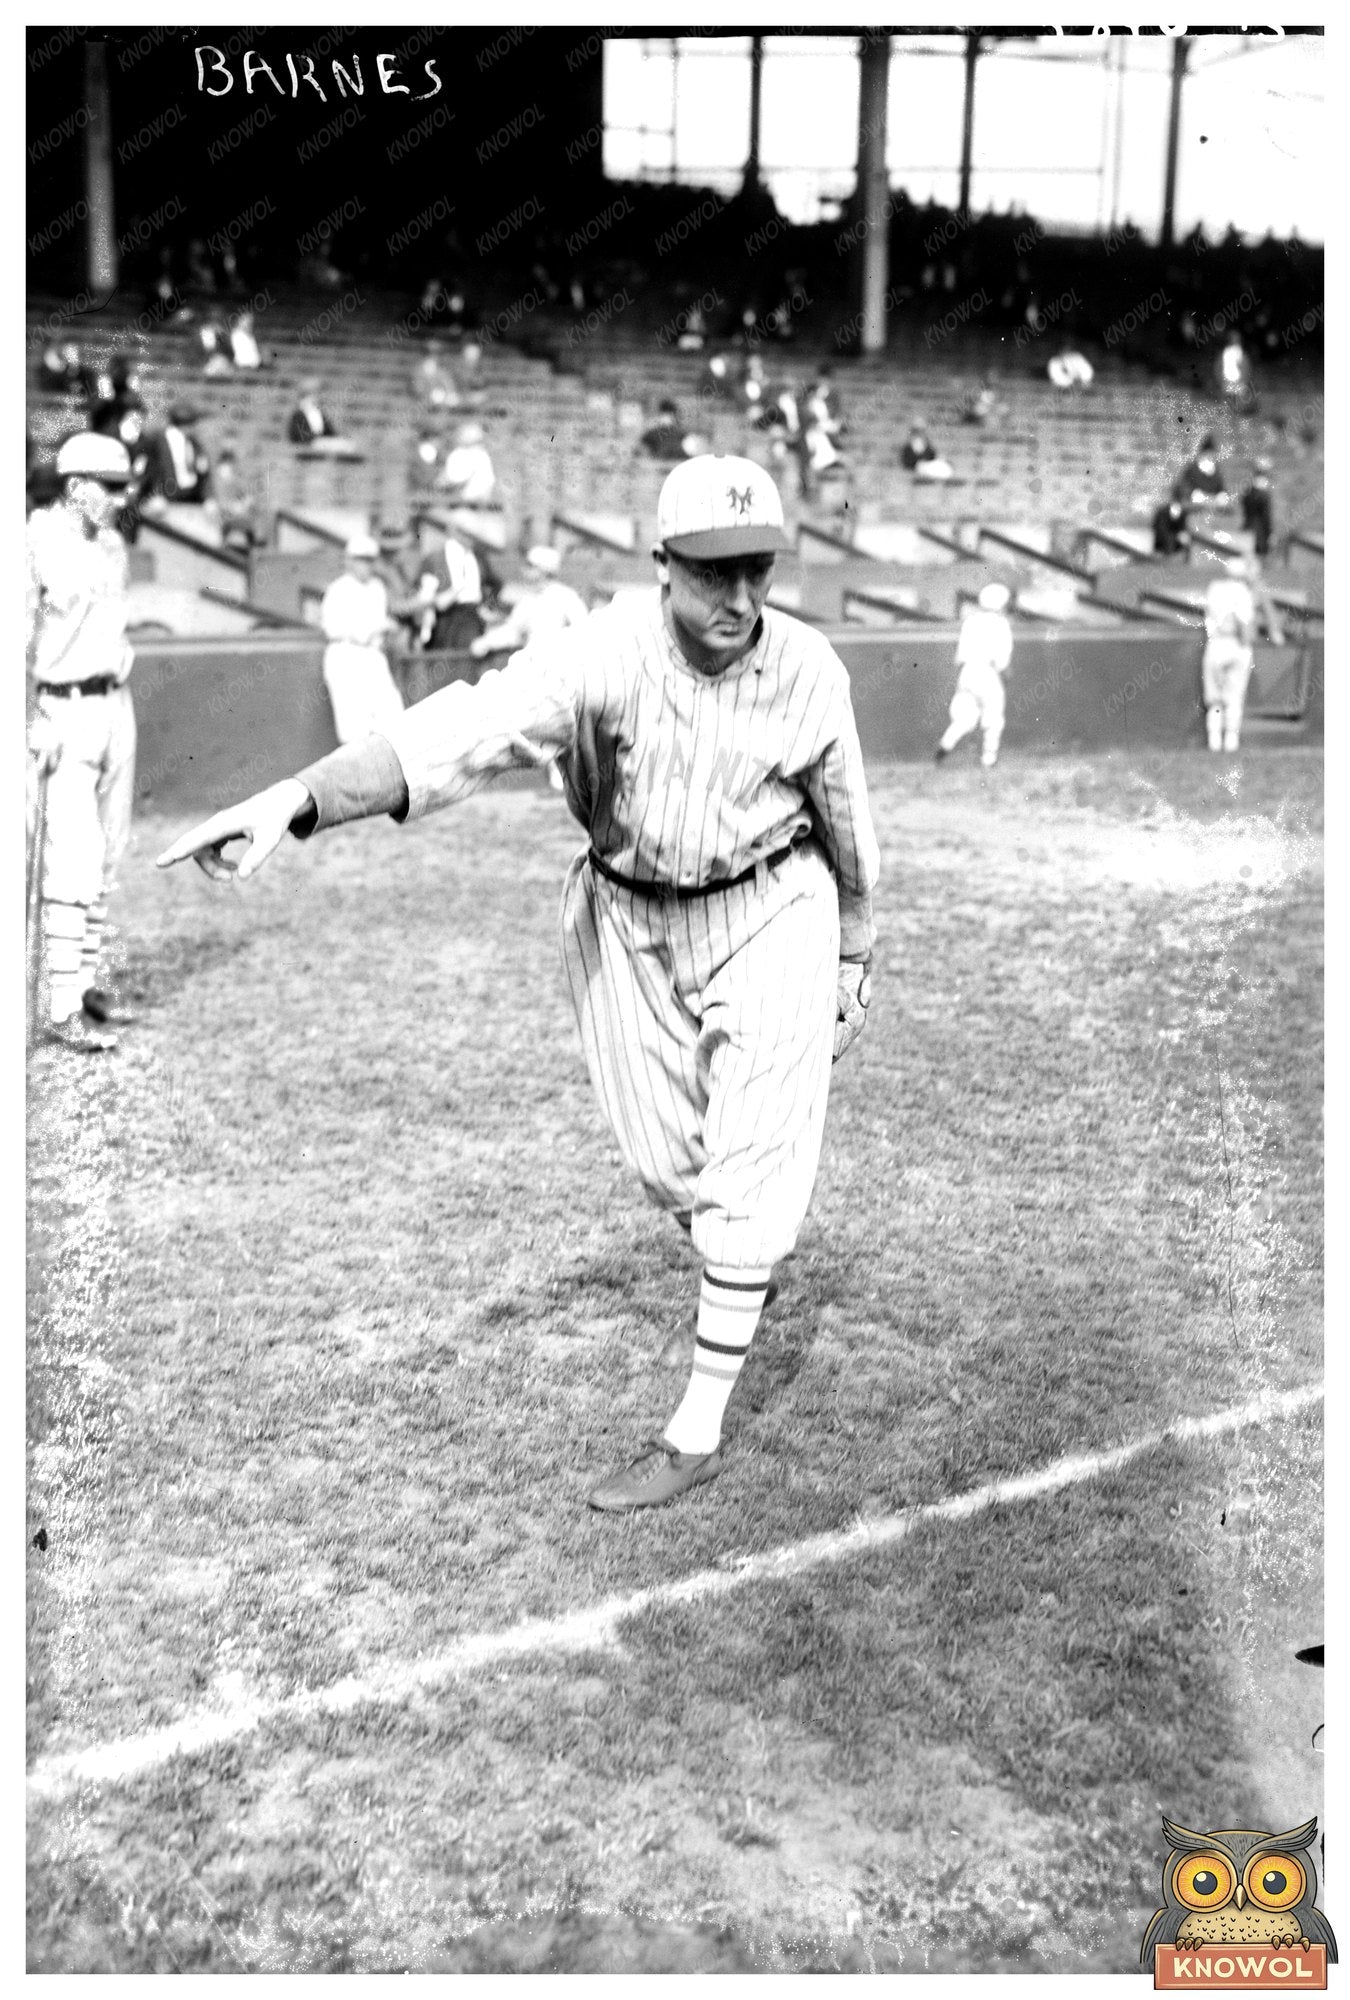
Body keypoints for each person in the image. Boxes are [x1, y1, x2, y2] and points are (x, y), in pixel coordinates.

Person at [156, 455, 880, 1513]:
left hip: (773, 902)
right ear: (663, 565)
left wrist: (855, 948)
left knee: (748, 1175)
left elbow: (848, 812)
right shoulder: (600, 655)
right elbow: (461, 732)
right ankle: (737, 1257)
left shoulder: (808, 666)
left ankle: (695, 1428)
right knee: (671, 1167)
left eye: (755, 570)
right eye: (713, 571)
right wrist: (295, 801)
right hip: (626, 913)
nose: (738, 597)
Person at [26, 433, 139, 1052]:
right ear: (74, 487)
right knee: (73, 860)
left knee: (109, 854)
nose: (121, 499)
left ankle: (89, 986)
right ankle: (61, 1005)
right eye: (109, 487)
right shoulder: (33, 541)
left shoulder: (113, 544)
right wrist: (24, 719)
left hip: (113, 705)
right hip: (59, 709)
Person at [318, 534, 404, 745]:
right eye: (360, 559)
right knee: (354, 731)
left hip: (373, 655)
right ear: (348, 561)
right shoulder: (338, 588)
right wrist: (381, 625)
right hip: (346, 654)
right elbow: (332, 628)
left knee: (393, 718)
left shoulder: (378, 588)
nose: (365, 565)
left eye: (369, 560)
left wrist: (386, 628)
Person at [1201, 550, 1283, 754]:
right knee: (1234, 696)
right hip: (1236, 645)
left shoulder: (1213, 588)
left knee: (1215, 698)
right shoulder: (1242, 592)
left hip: (1216, 644)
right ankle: (1230, 740)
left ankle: (1214, 740)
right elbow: (1244, 625)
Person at [934, 581, 1014, 769]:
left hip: (967, 672)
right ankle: (989, 759)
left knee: (965, 718)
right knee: (993, 717)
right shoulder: (1001, 624)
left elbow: (959, 656)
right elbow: (1001, 659)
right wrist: (1006, 676)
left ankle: (944, 747)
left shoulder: (970, 621)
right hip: (988, 673)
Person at [470, 546, 587, 660]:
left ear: (544, 570)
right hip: (535, 664)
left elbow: (583, 631)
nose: (524, 570)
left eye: (530, 566)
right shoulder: (528, 599)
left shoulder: (566, 596)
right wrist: (486, 642)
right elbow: (513, 632)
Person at [419, 521, 486, 652]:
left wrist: (487, 606)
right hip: (445, 620)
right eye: (464, 533)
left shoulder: (478, 559)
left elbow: (493, 586)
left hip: (472, 619)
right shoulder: (436, 558)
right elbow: (424, 593)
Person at [141, 402, 212, 509]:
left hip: (191, 499)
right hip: (163, 499)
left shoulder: (195, 445)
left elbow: (204, 473)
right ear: (187, 424)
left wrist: (208, 498)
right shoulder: (158, 441)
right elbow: (147, 470)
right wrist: (153, 495)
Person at [287, 379, 360, 458]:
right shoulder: (298, 414)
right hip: (308, 442)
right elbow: (298, 434)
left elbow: (329, 431)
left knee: (347, 444)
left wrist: (335, 438)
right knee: (340, 445)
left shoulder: (319, 412)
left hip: (321, 441)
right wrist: (318, 440)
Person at [1173, 434, 1230, 509]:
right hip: (1193, 501)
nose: (1210, 457)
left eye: (1211, 455)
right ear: (1202, 454)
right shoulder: (1191, 469)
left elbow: (1221, 489)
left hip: (1211, 501)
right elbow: (1181, 488)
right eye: (1207, 455)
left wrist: (1221, 495)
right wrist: (1192, 493)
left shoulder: (1216, 472)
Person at [639, 399, 693, 463]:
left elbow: (642, 450)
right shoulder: (681, 433)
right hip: (677, 462)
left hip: (659, 462)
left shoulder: (652, 433)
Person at [1240, 458, 1275, 558]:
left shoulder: (1248, 489)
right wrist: (1269, 533)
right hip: (1260, 533)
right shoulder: (1262, 492)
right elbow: (1266, 516)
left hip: (1248, 529)